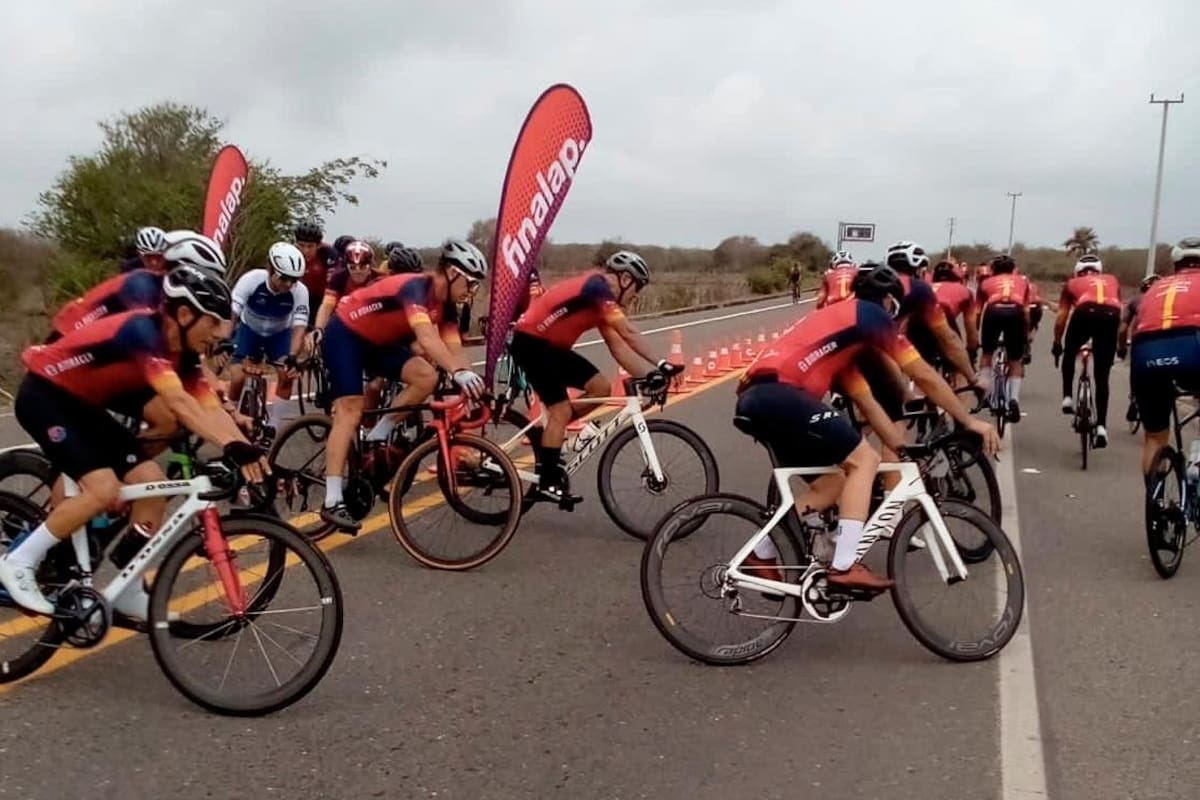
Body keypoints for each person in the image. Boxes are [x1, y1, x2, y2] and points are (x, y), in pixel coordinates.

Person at [0, 267, 266, 618]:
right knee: (103, 489)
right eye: (213, 322)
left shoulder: (184, 355)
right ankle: (18, 562)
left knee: (152, 486)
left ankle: (128, 586)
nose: (219, 333)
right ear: (184, 315)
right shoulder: (142, 331)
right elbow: (179, 404)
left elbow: (209, 408)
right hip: (45, 396)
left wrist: (244, 449)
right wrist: (231, 447)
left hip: (81, 403)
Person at [734, 265, 998, 592]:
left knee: (833, 485)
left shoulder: (840, 342)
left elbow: (871, 407)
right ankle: (845, 566)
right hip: (780, 393)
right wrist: (969, 421)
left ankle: (760, 555)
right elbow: (924, 375)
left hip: (756, 399)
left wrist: (904, 452)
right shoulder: (870, 315)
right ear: (889, 302)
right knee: (864, 461)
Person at [319, 239, 488, 531]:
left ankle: (378, 435)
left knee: (427, 376)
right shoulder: (416, 288)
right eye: (470, 283)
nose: (471, 292)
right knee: (350, 410)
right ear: (451, 272)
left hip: (377, 342)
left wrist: (472, 382)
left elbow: (454, 348)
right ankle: (333, 500)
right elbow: (426, 338)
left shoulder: (447, 305)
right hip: (345, 334)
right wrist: (458, 374)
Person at [509, 251, 679, 503]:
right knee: (560, 410)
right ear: (624, 279)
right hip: (530, 344)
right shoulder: (597, 287)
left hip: (551, 348)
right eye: (637, 287)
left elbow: (619, 347)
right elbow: (628, 332)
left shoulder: (602, 300)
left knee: (600, 387)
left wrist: (651, 375)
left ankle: (550, 441)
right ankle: (547, 480)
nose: (636, 295)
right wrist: (663, 363)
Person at [1130, 238, 1200, 475]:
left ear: (1175, 264)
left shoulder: (1154, 288)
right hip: (1192, 343)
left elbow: (1133, 328)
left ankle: (1156, 503)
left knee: (1154, 437)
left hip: (1146, 350)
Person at [227, 243, 310, 436]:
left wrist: (292, 357)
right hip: (250, 330)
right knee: (238, 376)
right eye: (284, 278)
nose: (289, 284)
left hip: (279, 334)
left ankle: (274, 426)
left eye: (294, 280)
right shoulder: (251, 280)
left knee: (286, 375)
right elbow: (232, 314)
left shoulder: (300, 291)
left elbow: (299, 328)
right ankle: (230, 417)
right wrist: (225, 341)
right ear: (270, 269)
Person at [1052, 254, 1122, 448]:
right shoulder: (1113, 280)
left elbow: (1061, 319)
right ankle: (1101, 427)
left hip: (1085, 311)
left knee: (1070, 349)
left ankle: (1067, 397)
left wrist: (1057, 343)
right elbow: (1119, 311)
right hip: (1111, 315)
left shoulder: (1071, 283)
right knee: (1102, 376)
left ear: (1077, 271)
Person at [885, 241, 977, 385]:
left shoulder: (873, 285)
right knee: (946, 365)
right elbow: (950, 339)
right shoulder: (920, 288)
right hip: (921, 331)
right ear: (917, 269)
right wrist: (972, 376)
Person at [977, 254, 1031, 423]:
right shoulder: (1023, 282)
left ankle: (984, 393)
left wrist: (979, 330)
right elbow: (1026, 312)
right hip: (1016, 312)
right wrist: (1026, 334)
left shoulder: (985, 282)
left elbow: (978, 311)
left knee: (987, 353)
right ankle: (1014, 399)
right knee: (1015, 359)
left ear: (993, 270)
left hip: (994, 312)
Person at [311, 240, 383, 334]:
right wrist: (319, 329)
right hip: (344, 324)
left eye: (362, 267)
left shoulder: (381, 279)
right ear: (346, 266)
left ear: (370, 266)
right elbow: (327, 306)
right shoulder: (339, 278)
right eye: (352, 267)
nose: (358, 271)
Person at [930, 260, 980, 373]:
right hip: (943, 317)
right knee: (958, 363)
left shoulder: (925, 286)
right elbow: (970, 326)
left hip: (918, 319)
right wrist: (971, 351)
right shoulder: (964, 290)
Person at [293, 219, 338, 316]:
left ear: (318, 245)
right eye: (301, 245)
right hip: (301, 297)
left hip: (324, 298)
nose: (305, 250)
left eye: (310, 246)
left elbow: (334, 284)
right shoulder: (291, 253)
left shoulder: (327, 253)